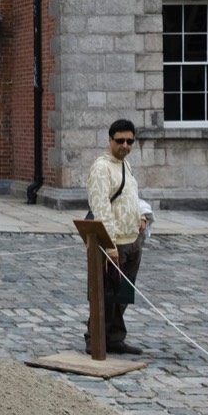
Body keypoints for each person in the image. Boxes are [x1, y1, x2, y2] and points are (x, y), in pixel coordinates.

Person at [85, 118, 149, 355]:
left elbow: (130, 195)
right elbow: (101, 208)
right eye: (120, 140)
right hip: (114, 243)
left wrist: (141, 216)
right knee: (104, 295)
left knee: (122, 295)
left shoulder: (125, 165)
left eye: (130, 141)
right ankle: (95, 339)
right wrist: (109, 246)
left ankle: (114, 338)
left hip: (131, 240)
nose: (125, 145)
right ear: (109, 140)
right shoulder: (102, 167)